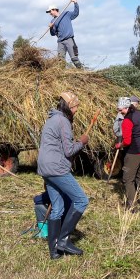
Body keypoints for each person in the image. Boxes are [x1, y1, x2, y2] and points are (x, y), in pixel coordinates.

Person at [37, 91, 89, 259]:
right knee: (81, 200)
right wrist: (82, 142)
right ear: (68, 106)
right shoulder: (63, 121)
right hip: (56, 168)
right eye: (75, 107)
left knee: (57, 208)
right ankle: (64, 241)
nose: (76, 111)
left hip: (45, 166)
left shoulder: (52, 119)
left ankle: (54, 252)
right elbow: (68, 151)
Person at [115, 99, 140, 214]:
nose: (119, 111)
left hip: (133, 152)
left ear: (126, 107)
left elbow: (127, 141)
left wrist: (119, 145)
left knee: (128, 179)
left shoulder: (127, 120)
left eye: (120, 109)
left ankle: (131, 207)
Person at [46, 0, 82, 69]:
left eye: (50, 11)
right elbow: (53, 34)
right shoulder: (52, 21)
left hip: (69, 39)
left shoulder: (66, 14)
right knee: (60, 60)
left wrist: (75, 3)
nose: (50, 13)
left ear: (54, 9)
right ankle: (62, 76)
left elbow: (76, 13)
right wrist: (51, 28)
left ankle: (81, 71)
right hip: (60, 42)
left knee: (74, 58)